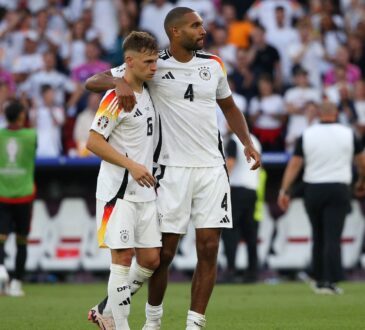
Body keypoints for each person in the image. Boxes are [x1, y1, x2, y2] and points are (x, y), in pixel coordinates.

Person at [86, 7, 261, 330]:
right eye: (196, 26)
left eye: (202, 25)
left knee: (209, 248)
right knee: (161, 255)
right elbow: (93, 81)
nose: (203, 30)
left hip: (211, 169)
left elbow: (229, 107)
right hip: (170, 171)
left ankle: (194, 324)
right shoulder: (153, 64)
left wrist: (247, 141)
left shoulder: (214, 65)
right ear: (176, 32)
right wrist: (117, 82)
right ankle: (152, 321)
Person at [86, 31, 161, 330]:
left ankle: (104, 309)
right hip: (118, 191)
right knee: (122, 258)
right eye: (148, 62)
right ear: (129, 62)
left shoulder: (146, 89)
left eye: (155, 61)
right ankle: (120, 326)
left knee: (151, 260)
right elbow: (93, 141)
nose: (154, 67)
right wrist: (131, 165)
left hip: (144, 191)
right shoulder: (117, 97)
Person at [277, 101, 365, 295]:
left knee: (318, 236)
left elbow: (294, 165)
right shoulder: (348, 134)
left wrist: (284, 190)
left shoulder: (307, 134)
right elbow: (362, 163)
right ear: (336, 113)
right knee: (332, 236)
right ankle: (330, 280)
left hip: (313, 190)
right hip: (338, 188)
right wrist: (361, 182)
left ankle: (317, 279)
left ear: (318, 114)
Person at [0, 100, 37, 296]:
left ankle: (1, 273)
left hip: (2, 195)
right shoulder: (30, 136)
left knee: (1, 238)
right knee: (22, 241)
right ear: (22, 116)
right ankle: (16, 282)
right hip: (24, 195)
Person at [221, 130, 265, 283]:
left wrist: (222, 183)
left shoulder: (234, 140)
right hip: (252, 190)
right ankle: (253, 271)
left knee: (230, 231)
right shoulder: (256, 141)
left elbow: (231, 162)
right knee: (250, 232)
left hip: (237, 190)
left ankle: (231, 269)